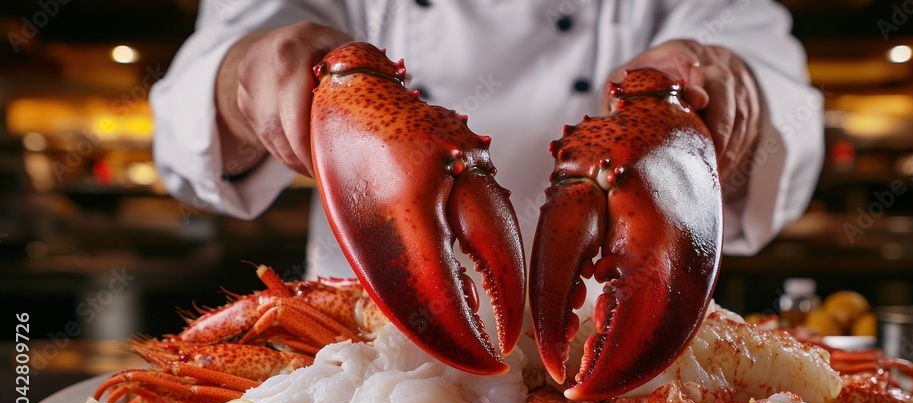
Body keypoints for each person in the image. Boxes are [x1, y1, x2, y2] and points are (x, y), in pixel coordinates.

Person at [150, 0, 823, 282]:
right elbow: (194, 125)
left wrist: (733, 92)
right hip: (375, 345)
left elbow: (776, 110)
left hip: (626, 333)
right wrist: (247, 83)